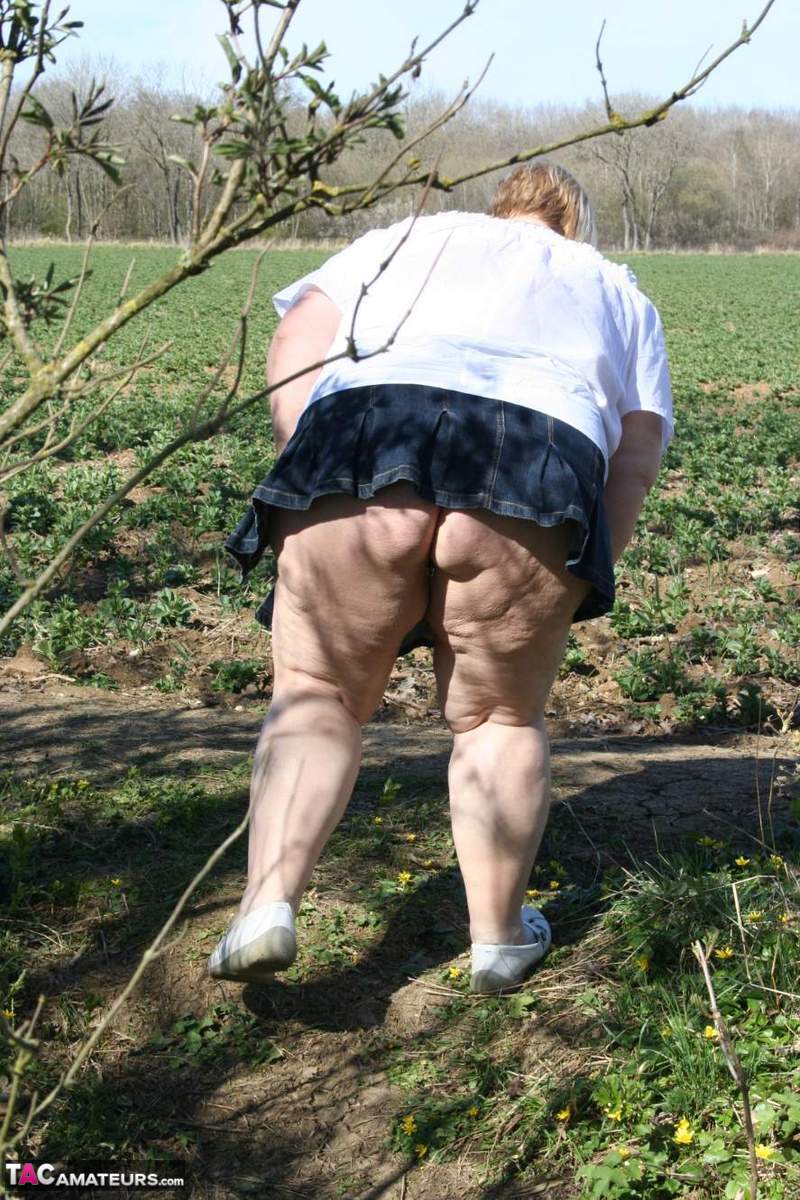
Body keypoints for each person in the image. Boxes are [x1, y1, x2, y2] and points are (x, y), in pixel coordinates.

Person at [208, 162, 673, 994]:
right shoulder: (614, 287)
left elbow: (295, 344)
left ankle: (266, 907)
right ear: (572, 223)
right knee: (499, 715)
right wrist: (581, 571)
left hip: (366, 426)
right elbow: (637, 448)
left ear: (498, 208)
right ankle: (498, 940)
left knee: (317, 689)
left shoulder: (408, 235)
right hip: (538, 451)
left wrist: (308, 475)